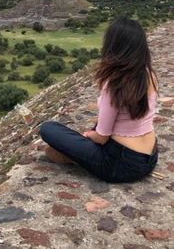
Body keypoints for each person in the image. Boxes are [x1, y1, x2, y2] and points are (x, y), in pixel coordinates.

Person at [40, 17, 158, 183]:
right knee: (97, 128)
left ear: (112, 46)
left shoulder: (115, 83)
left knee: (48, 128)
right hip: (150, 156)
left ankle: (78, 158)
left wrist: (89, 135)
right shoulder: (149, 75)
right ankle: (79, 154)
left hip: (121, 164)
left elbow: (102, 137)